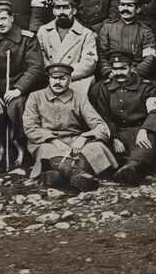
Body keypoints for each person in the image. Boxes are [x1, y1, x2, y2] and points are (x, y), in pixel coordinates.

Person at [0, 1, 46, 171]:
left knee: (17, 106)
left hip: (21, 88)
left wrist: (18, 89)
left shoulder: (28, 39)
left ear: (12, 18)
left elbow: (35, 67)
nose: (0, 23)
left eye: (3, 18)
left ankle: (22, 152)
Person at [23, 63, 114, 192]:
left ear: (70, 80)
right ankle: (77, 175)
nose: (57, 82)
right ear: (48, 79)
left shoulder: (79, 98)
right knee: (47, 151)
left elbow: (100, 126)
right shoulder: (35, 97)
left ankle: (60, 177)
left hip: (74, 141)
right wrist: (54, 140)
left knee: (95, 147)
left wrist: (83, 138)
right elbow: (30, 127)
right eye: (54, 78)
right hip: (47, 142)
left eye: (62, 78)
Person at [88, 52, 156, 186]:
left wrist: (145, 129)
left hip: (142, 131)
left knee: (147, 144)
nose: (118, 73)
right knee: (102, 147)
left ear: (132, 68)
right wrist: (114, 137)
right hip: (118, 133)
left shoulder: (146, 87)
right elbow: (104, 116)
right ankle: (126, 169)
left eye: (123, 68)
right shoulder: (104, 88)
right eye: (115, 69)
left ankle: (132, 168)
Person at [35, 0, 99, 100]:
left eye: (65, 8)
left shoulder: (86, 33)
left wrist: (64, 76)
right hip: (50, 78)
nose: (61, 12)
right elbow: (40, 58)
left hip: (76, 79)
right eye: (57, 8)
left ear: (74, 10)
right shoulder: (43, 31)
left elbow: (89, 63)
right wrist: (54, 76)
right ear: (53, 10)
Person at [95, 0, 156, 79]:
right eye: (122, 5)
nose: (125, 9)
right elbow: (102, 54)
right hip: (112, 72)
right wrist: (107, 71)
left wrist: (136, 72)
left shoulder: (145, 31)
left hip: (135, 74)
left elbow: (149, 57)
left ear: (138, 9)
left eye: (130, 5)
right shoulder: (108, 27)